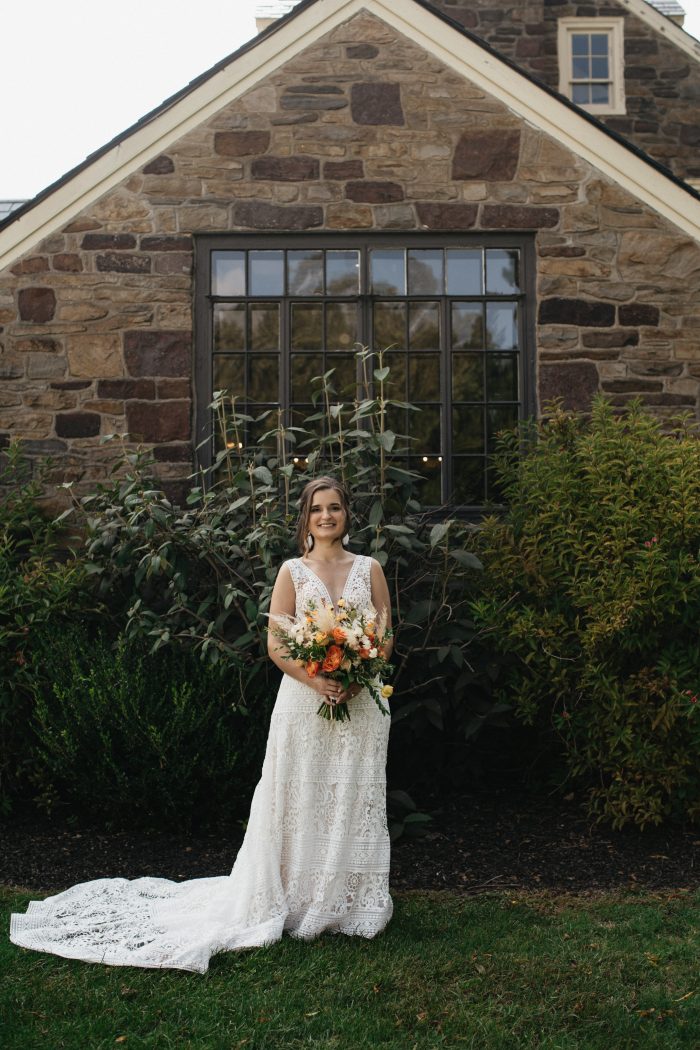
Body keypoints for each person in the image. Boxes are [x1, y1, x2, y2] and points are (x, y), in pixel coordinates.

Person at [9, 476, 393, 973]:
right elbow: (277, 646)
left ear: (347, 514)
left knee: (351, 794)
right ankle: (301, 899)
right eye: (317, 509)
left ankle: (348, 900)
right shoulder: (292, 572)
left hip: (362, 704)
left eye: (335, 507)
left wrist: (358, 681)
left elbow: (383, 635)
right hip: (305, 701)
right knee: (301, 795)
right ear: (305, 517)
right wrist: (319, 682)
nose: (326, 516)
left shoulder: (370, 568)